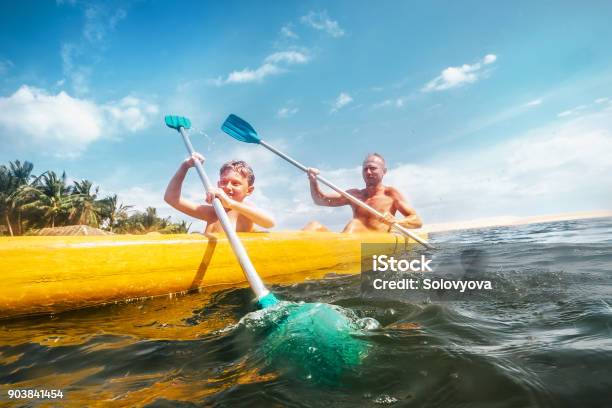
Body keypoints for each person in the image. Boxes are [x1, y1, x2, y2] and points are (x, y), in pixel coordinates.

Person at [303, 153, 422, 233]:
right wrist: (313, 180)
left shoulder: (390, 194)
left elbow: (417, 221)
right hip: (351, 239)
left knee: (354, 224)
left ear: (384, 171)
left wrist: (397, 222)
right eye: (365, 169)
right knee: (313, 226)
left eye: (373, 168)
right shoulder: (354, 195)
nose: (368, 172)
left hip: (375, 243)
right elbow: (320, 200)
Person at [164, 153, 275, 233]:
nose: (227, 187)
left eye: (235, 184)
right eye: (223, 182)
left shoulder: (244, 209)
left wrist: (230, 203)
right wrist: (185, 166)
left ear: (249, 190)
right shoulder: (213, 212)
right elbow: (171, 199)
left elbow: (269, 223)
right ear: (218, 185)